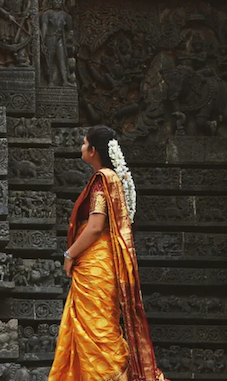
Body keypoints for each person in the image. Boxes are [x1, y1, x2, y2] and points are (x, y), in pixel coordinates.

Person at [50, 125, 167, 381]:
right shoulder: (115, 180)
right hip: (104, 263)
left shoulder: (102, 181)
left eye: (84, 143)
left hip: (95, 262)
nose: (81, 148)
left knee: (97, 334)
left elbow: (94, 227)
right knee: (99, 330)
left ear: (93, 150)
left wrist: (69, 255)